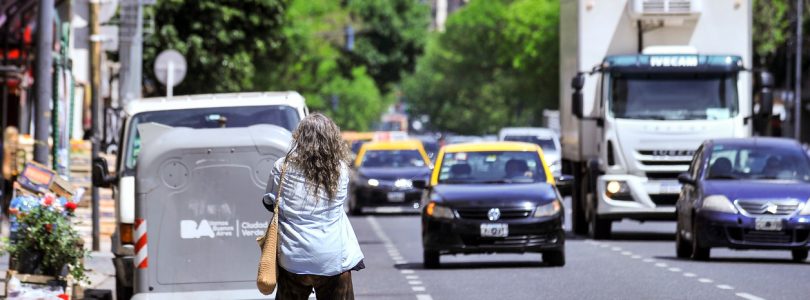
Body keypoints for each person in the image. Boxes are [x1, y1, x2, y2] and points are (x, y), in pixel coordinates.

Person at [262, 113, 364, 300]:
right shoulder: (341, 169)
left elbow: (270, 201)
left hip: (293, 260)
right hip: (332, 258)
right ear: (332, 138)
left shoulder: (282, 166)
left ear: (299, 136)